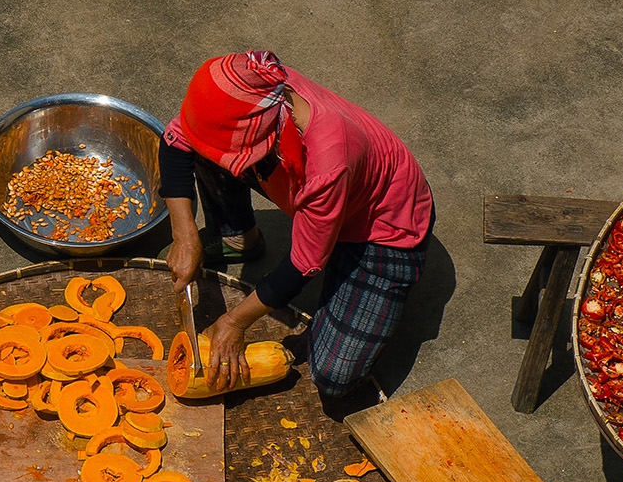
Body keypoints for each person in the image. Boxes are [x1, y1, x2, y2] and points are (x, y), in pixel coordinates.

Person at [158, 51, 434, 399]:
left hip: (382, 230)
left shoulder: (328, 162)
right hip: (313, 194)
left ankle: (366, 295)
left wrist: (234, 321)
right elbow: (176, 143)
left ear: (262, 139)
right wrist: (184, 235)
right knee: (206, 147)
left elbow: (304, 263)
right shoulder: (252, 88)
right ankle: (237, 237)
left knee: (333, 375)